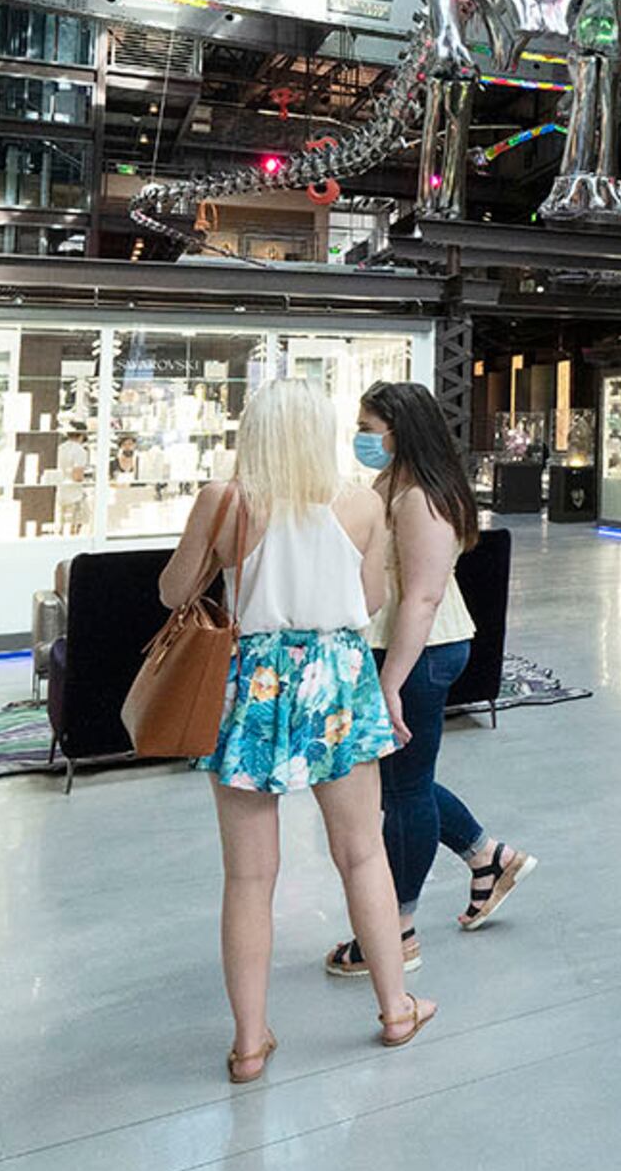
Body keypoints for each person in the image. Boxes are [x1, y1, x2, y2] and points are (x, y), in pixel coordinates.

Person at [162, 376, 433, 1082]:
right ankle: (396, 1007)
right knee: (363, 854)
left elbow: (171, 591)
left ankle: (249, 1043)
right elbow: (371, 598)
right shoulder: (360, 504)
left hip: (252, 683)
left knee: (249, 876)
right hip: (338, 679)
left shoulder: (226, 501)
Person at [324, 381, 535, 980]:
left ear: (400, 431)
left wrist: (389, 684)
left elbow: (421, 597)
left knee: (400, 793)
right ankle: (488, 857)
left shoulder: (423, 498)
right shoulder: (389, 485)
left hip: (420, 652)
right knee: (403, 782)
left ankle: (397, 931)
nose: (361, 439)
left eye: (369, 428)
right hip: (398, 650)